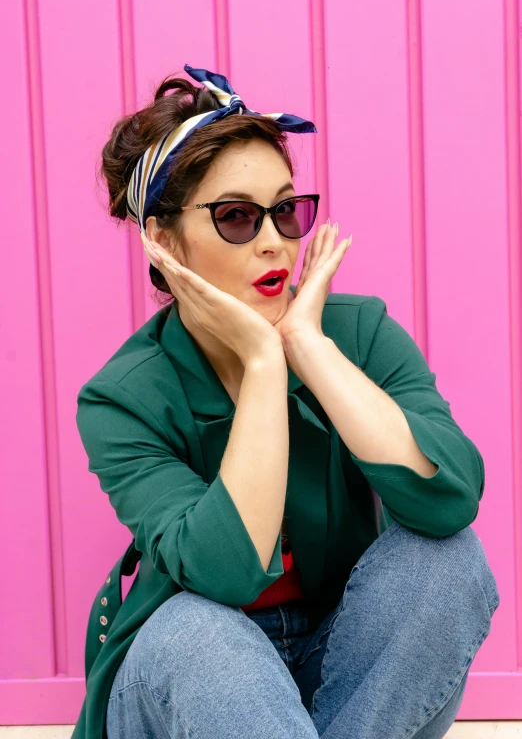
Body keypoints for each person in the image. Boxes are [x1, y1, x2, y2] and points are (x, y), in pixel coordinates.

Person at [72, 65, 499, 739]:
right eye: (237, 216)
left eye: (286, 209)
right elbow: (226, 574)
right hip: (188, 686)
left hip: (341, 668)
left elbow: (449, 497)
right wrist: (265, 365)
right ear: (159, 238)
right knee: (197, 631)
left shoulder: (356, 335)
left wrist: (308, 345)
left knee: (446, 563)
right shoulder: (122, 399)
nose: (274, 238)